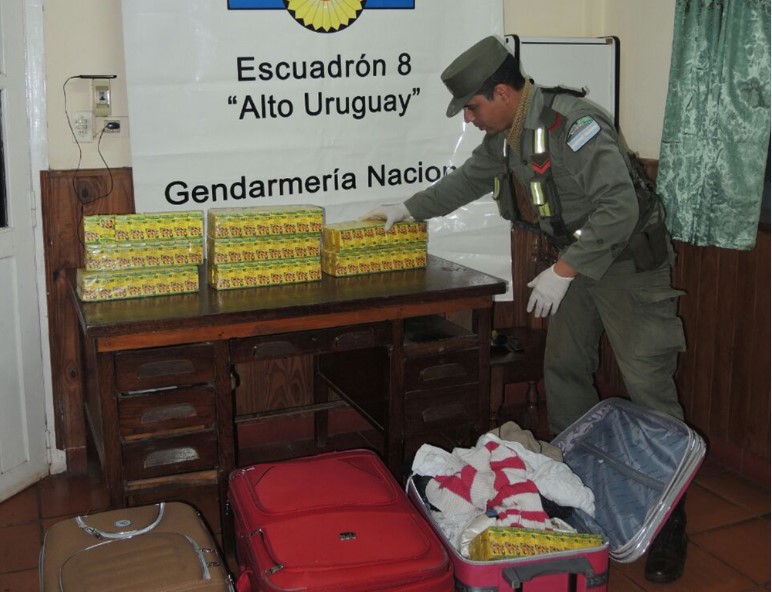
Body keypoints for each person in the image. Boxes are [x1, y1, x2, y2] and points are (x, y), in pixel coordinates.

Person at [363, 35, 689, 584]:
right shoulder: (508, 136)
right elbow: (467, 181)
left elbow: (620, 207)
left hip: (628, 266)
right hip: (577, 265)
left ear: (503, 93)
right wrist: (408, 208)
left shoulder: (573, 124)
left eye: (472, 106)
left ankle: (670, 522)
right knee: (563, 371)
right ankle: (575, 489)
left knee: (648, 387)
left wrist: (564, 271)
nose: (469, 118)